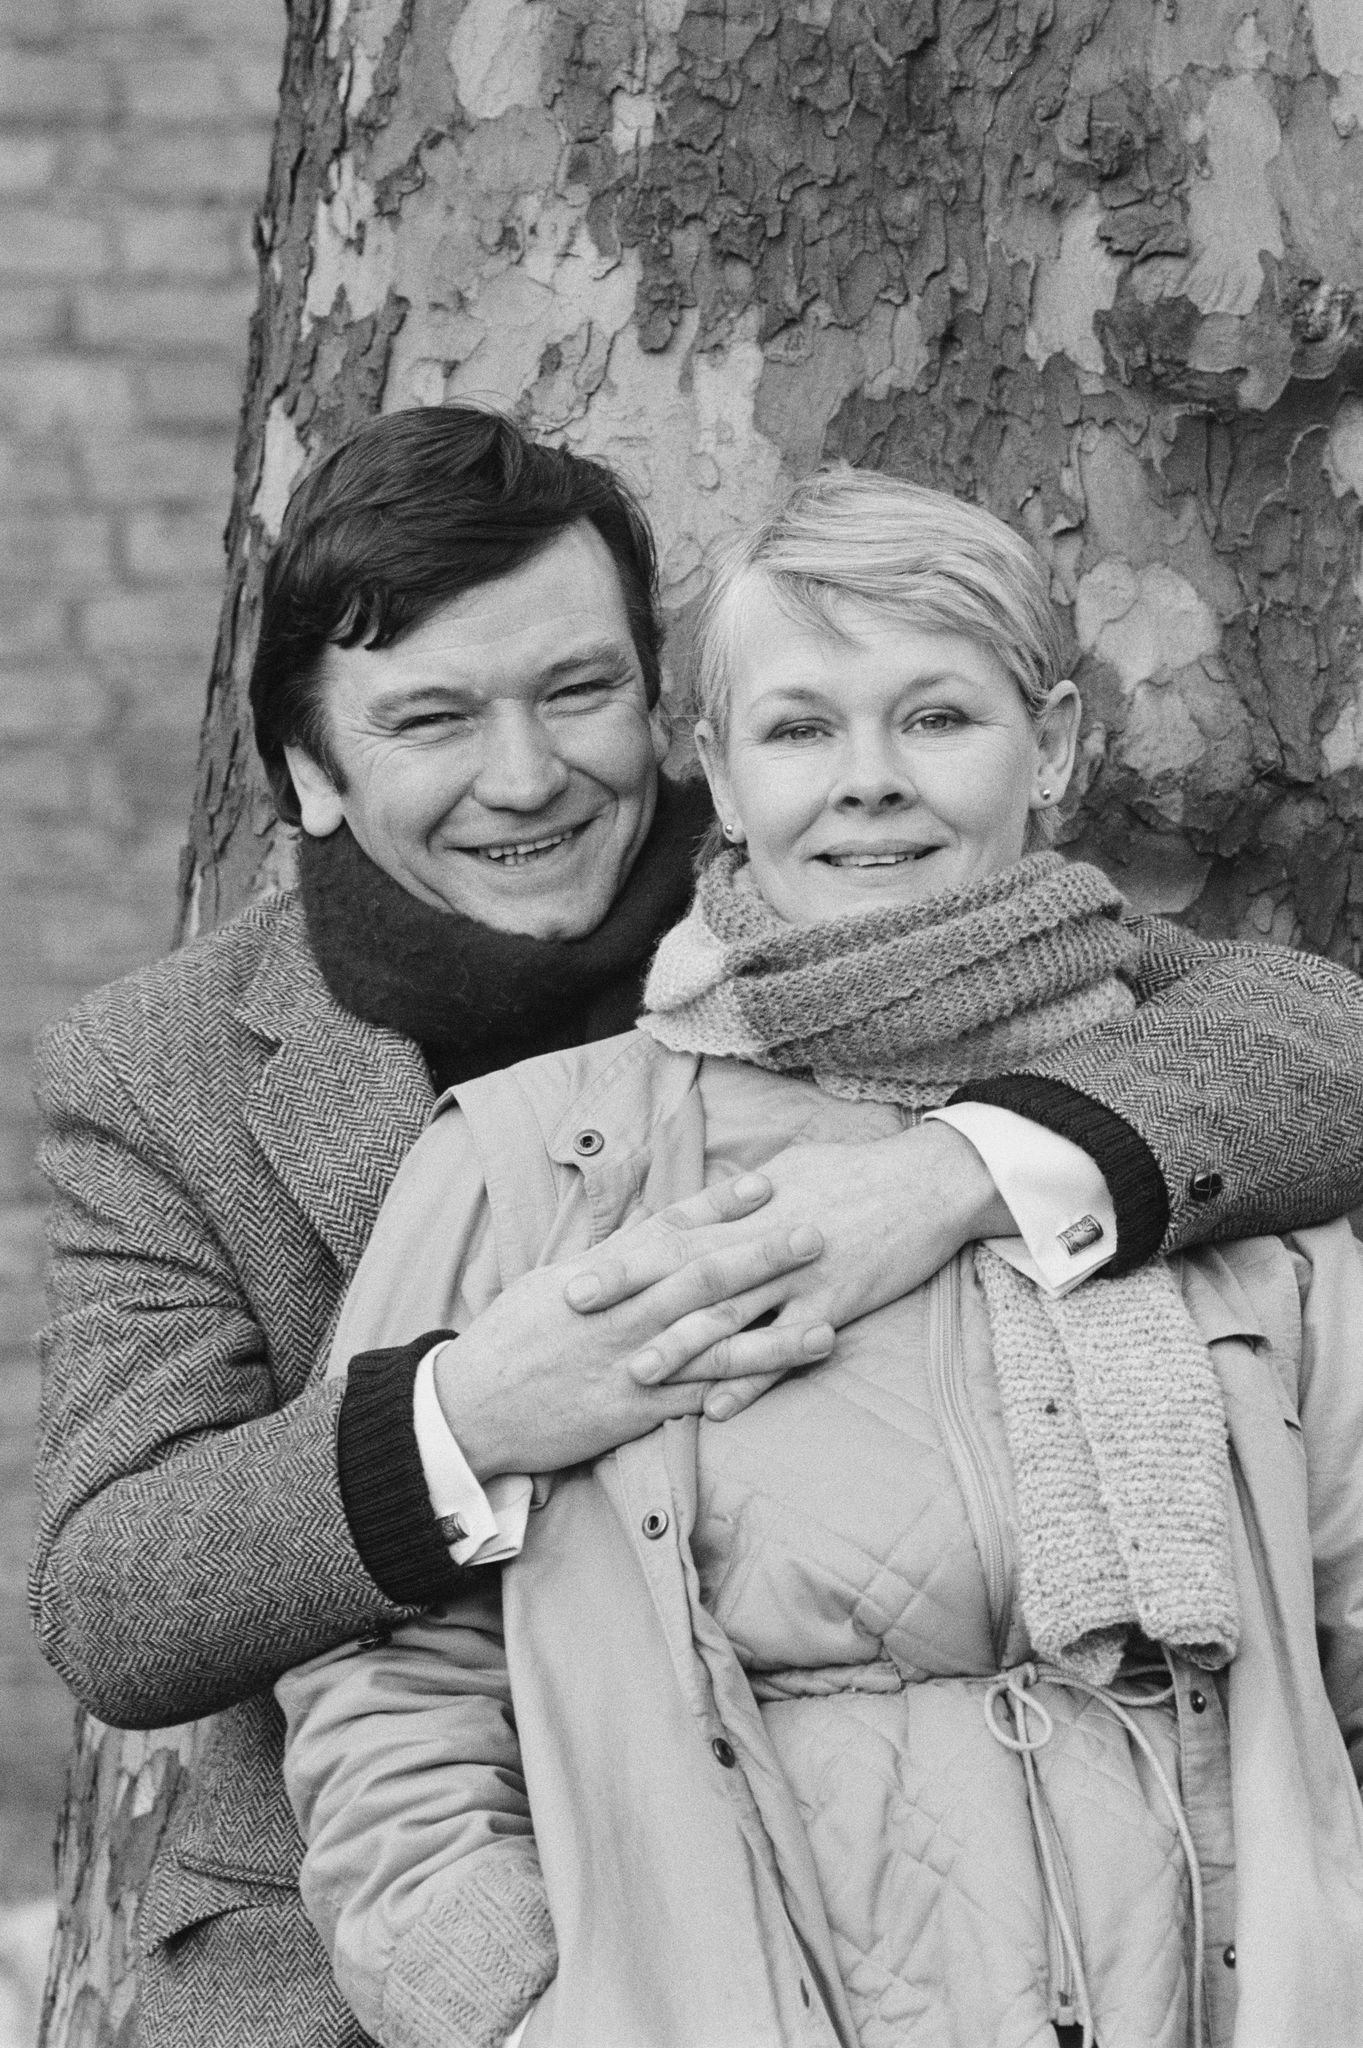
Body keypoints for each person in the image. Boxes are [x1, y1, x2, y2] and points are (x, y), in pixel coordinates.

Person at [29, 411, 1363, 2048]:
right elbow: (114, 1598)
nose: (525, 778)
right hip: (414, 1945)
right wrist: (462, 1419)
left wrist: (939, 1176)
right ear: (311, 767)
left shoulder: (842, 900)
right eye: (433, 718)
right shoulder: (166, 1072)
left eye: (577, 694)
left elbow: (1308, 1049)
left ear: (674, 729)